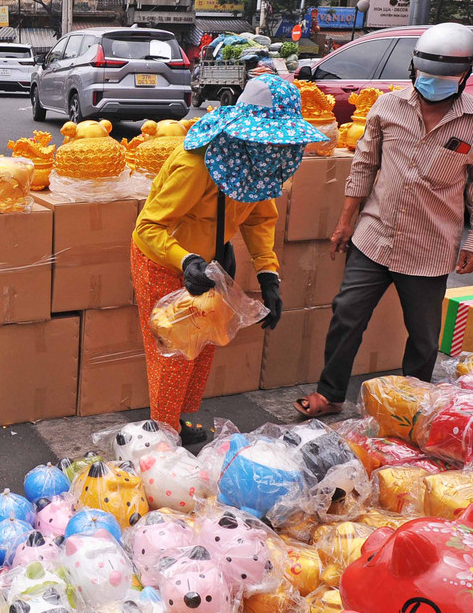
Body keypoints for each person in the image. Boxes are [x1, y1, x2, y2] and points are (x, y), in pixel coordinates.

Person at [296, 23, 473, 418]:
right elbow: (364, 166)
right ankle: (330, 393)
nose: (433, 84)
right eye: (426, 77)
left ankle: (412, 407)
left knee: (424, 336)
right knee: (346, 315)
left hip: (430, 246)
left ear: (463, 77)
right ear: (413, 70)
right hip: (374, 236)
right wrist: (345, 222)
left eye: (444, 79)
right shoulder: (387, 107)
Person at [133, 74, 327, 444]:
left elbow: (258, 218)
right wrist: (184, 260)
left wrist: (269, 275)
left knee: (204, 344)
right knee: (173, 351)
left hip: (210, 264)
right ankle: (162, 435)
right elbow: (148, 227)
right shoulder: (195, 166)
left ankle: (180, 418)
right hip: (164, 259)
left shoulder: (256, 168)